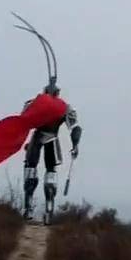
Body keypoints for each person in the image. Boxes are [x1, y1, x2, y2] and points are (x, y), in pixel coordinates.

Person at [23, 81, 82, 223]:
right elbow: (75, 128)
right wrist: (75, 145)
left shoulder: (35, 103)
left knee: (34, 172)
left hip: (39, 139)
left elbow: (24, 117)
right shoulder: (63, 107)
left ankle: (33, 209)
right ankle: (45, 210)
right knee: (44, 173)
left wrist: (75, 144)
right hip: (48, 138)